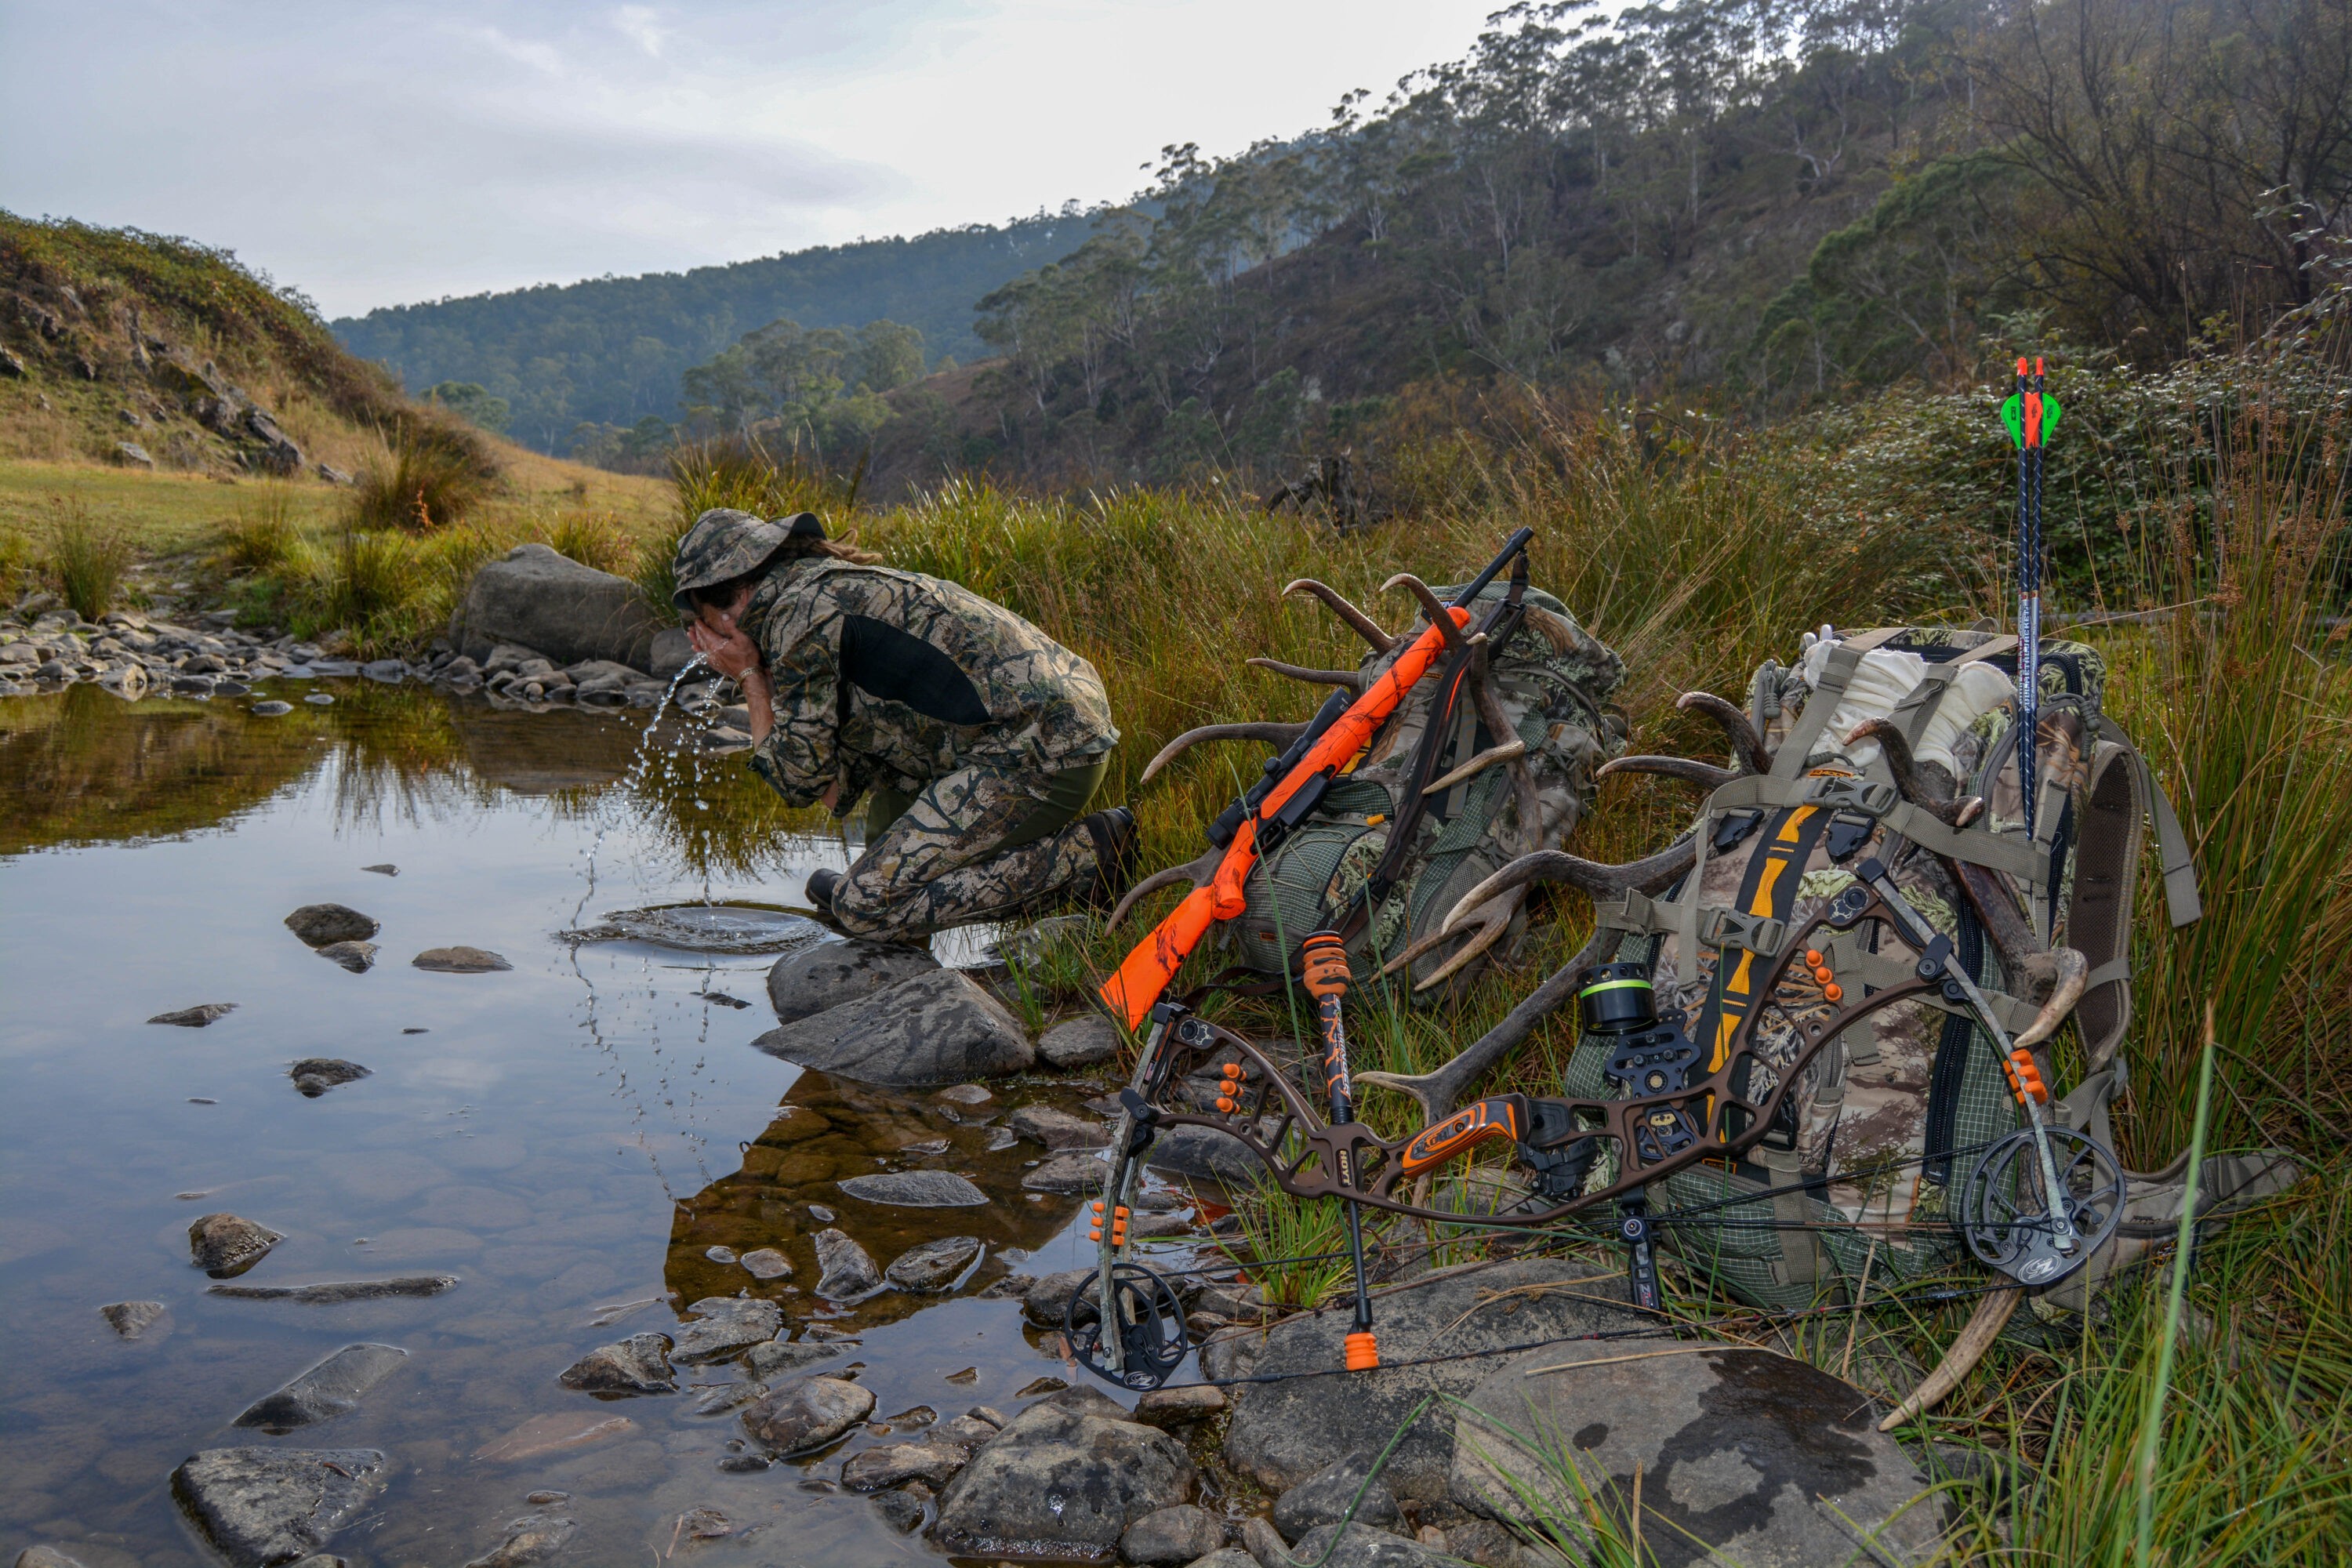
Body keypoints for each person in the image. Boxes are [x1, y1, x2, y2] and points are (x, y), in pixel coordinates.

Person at [672, 507, 1131, 942]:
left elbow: (798, 778)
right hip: (1043, 728)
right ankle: (898, 915)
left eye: (702, 620)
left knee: (865, 908)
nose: (702, 635)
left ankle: (1086, 857)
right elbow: (833, 783)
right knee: (878, 854)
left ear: (729, 605)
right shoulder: (809, 589)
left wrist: (749, 676)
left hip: (1043, 753)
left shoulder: (798, 614)